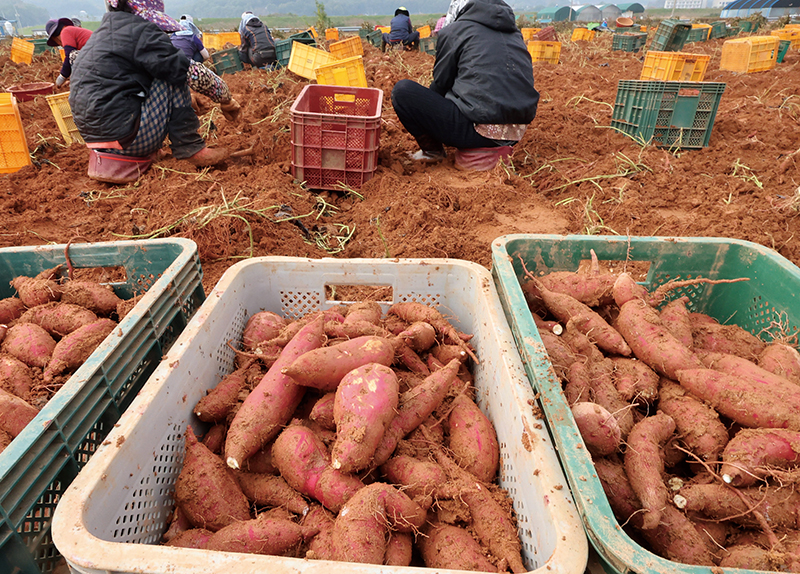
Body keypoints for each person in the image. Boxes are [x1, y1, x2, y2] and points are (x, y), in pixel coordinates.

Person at [69, 0, 230, 169]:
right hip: (127, 139)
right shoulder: (140, 31)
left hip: (96, 143)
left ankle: (150, 150)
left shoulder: (99, 36)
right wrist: (225, 97)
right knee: (173, 70)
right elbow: (188, 70)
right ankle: (190, 147)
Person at [391, 0, 539, 164]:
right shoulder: (515, 34)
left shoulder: (455, 31)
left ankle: (432, 151)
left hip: (477, 132)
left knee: (403, 91)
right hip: (516, 133)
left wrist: (429, 114)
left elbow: (441, 83)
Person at [45, 18, 92, 88]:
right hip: (101, 53)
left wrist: (61, 77)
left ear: (55, 38)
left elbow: (69, 56)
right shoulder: (72, 31)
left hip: (98, 54)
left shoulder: (65, 31)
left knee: (73, 56)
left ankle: (83, 85)